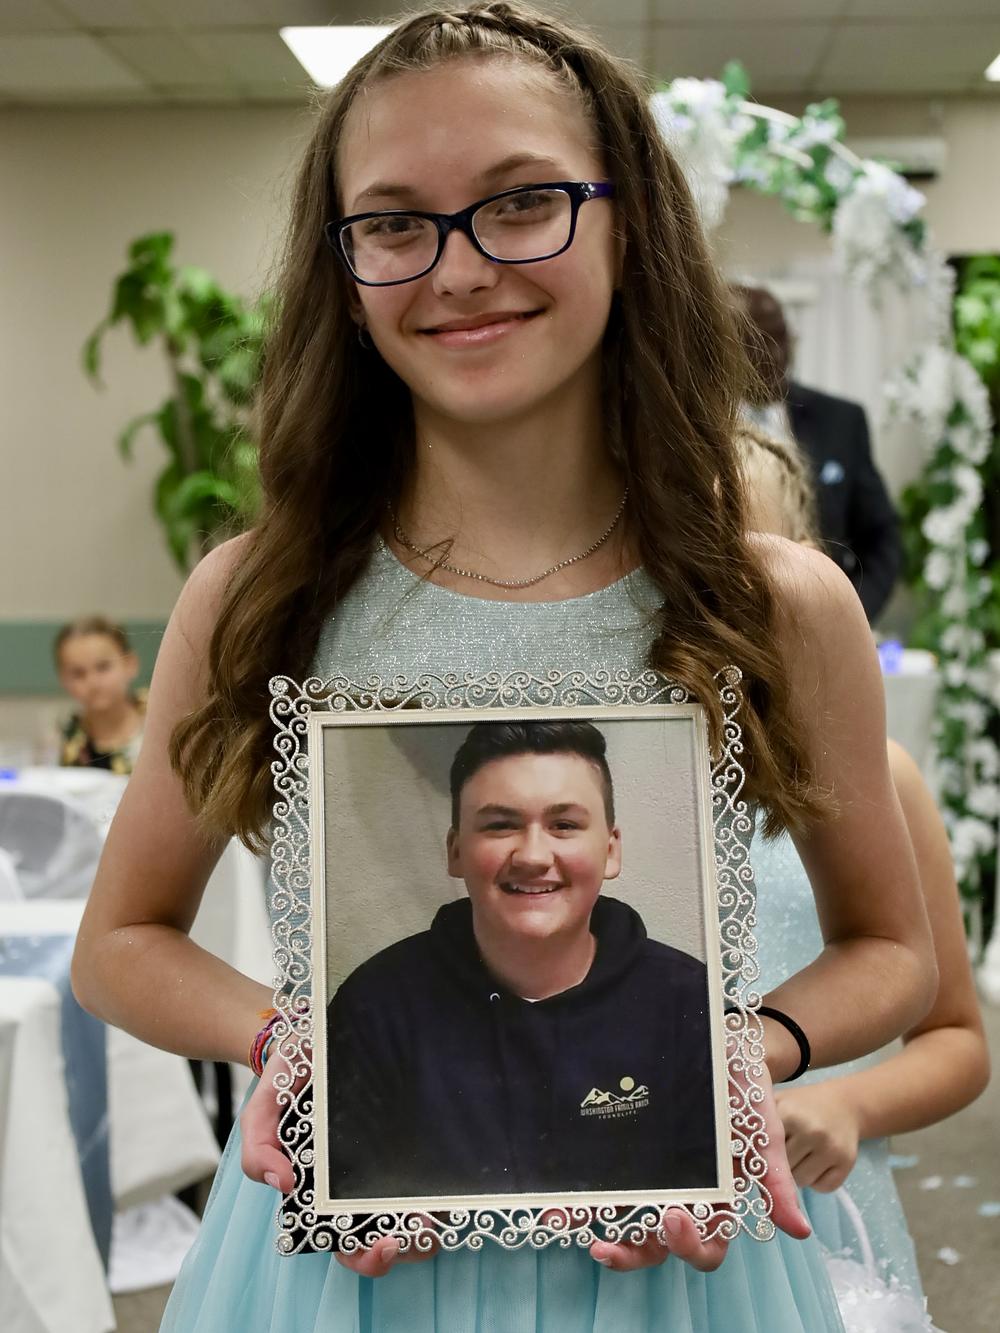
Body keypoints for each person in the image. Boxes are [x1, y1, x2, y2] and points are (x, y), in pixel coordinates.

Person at [70, 6, 938, 1330]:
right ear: (343, 268)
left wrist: (730, 1056)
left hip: (670, 1264)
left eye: (522, 202)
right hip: (343, 1266)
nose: (461, 267)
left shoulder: (776, 602)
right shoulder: (259, 593)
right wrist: (299, 1042)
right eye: (394, 223)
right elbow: (119, 943)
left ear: (629, 225)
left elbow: (891, 951)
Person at [739, 426, 989, 1320]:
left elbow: (957, 1037)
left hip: (825, 1203)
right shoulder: (603, 789)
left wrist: (848, 1102)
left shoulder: (880, 778)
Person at [327, 720, 717, 1201]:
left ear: (611, 850)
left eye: (564, 826)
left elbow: (714, 1192)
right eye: (500, 825)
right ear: (455, 851)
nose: (533, 856)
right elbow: (338, 1198)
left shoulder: (689, 1001)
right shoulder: (375, 1005)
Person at [734, 285, 903, 624]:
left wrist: (851, 616)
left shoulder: (840, 421)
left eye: (782, 339)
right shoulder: (693, 429)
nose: (776, 355)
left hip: (828, 624)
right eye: (758, 342)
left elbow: (882, 537)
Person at [54, 615, 146, 775]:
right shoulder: (64, 738)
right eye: (78, 673)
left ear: (130, 664)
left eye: (103, 667)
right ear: (64, 680)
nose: (93, 683)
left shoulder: (161, 721)